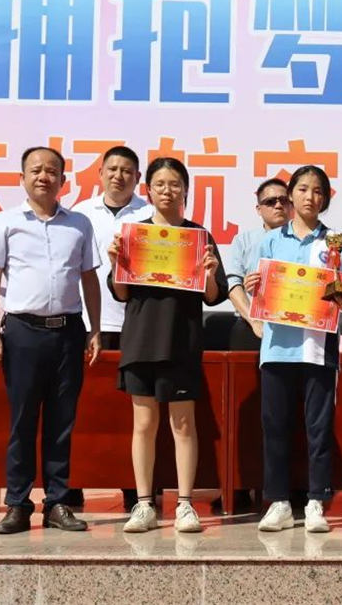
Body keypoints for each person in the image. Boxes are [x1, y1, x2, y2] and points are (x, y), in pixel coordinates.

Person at [0, 146, 102, 534]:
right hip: (22, 332)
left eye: (52, 171)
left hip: (68, 331)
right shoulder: (4, 222)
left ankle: (57, 502)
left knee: (61, 421)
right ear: (22, 178)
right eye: (35, 170)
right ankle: (18, 504)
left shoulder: (79, 223)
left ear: (63, 180)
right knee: (22, 421)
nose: (43, 177)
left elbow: (89, 279)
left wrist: (94, 329)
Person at [107, 157, 228, 534]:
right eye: (159, 184)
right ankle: (144, 504)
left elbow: (213, 296)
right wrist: (116, 263)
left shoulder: (199, 236)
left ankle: (185, 504)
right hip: (141, 339)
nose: (167, 191)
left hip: (181, 341)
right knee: (144, 424)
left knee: (183, 424)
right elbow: (122, 293)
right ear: (148, 190)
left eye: (175, 184)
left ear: (186, 191)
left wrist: (209, 273)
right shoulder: (135, 234)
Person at [243, 166, 342, 534]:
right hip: (277, 348)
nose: (311, 196)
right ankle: (278, 502)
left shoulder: (336, 243)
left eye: (318, 190)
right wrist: (254, 286)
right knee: (274, 427)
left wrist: (340, 290)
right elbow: (259, 296)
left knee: (319, 429)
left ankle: (316, 501)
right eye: (303, 189)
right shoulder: (271, 241)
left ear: (326, 198)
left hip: (318, 349)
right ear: (291, 194)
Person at [73, 145, 153, 511]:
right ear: (100, 173)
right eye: (112, 169)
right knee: (85, 410)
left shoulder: (150, 215)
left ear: (137, 178)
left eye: (127, 171)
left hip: (135, 324)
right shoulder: (79, 213)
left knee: (133, 412)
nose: (118, 176)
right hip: (89, 323)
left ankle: (135, 489)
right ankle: (72, 484)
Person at [226, 178, 290, 350]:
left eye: (284, 200)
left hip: (293, 324)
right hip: (251, 324)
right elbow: (233, 283)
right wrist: (254, 321)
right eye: (270, 202)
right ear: (258, 209)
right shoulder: (244, 240)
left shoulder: (306, 241)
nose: (278, 205)